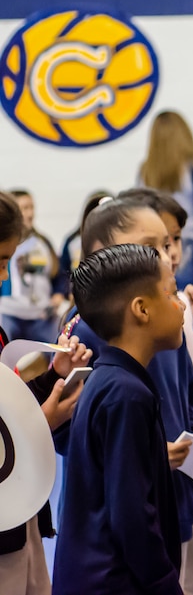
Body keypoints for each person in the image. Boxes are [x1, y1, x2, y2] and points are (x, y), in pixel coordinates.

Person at [61, 198, 193, 591]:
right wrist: (164, 583)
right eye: (172, 295)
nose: (181, 308)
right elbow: (132, 515)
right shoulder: (126, 395)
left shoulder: (118, 381)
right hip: (114, 580)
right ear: (141, 309)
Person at [0, 191, 91, 595]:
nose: (5, 276)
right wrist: (46, 422)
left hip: (20, 515)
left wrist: (52, 375)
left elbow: (9, 404)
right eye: (1, 261)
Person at [138, 110, 193, 288]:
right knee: (190, 301)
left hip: (151, 249)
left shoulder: (145, 172)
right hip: (187, 245)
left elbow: (137, 209)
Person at [0, 189, 65, 342]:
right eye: (24, 208)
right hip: (10, 312)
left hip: (40, 315)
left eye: (31, 208)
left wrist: (58, 294)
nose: (29, 213)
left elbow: (58, 274)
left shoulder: (43, 242)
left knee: (59, 346)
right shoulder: (7, 244)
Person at [56, 189, 113, 299]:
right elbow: (63, 271)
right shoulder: (73, 241)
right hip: (79, 296)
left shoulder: (120, 240)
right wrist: (67, 291)